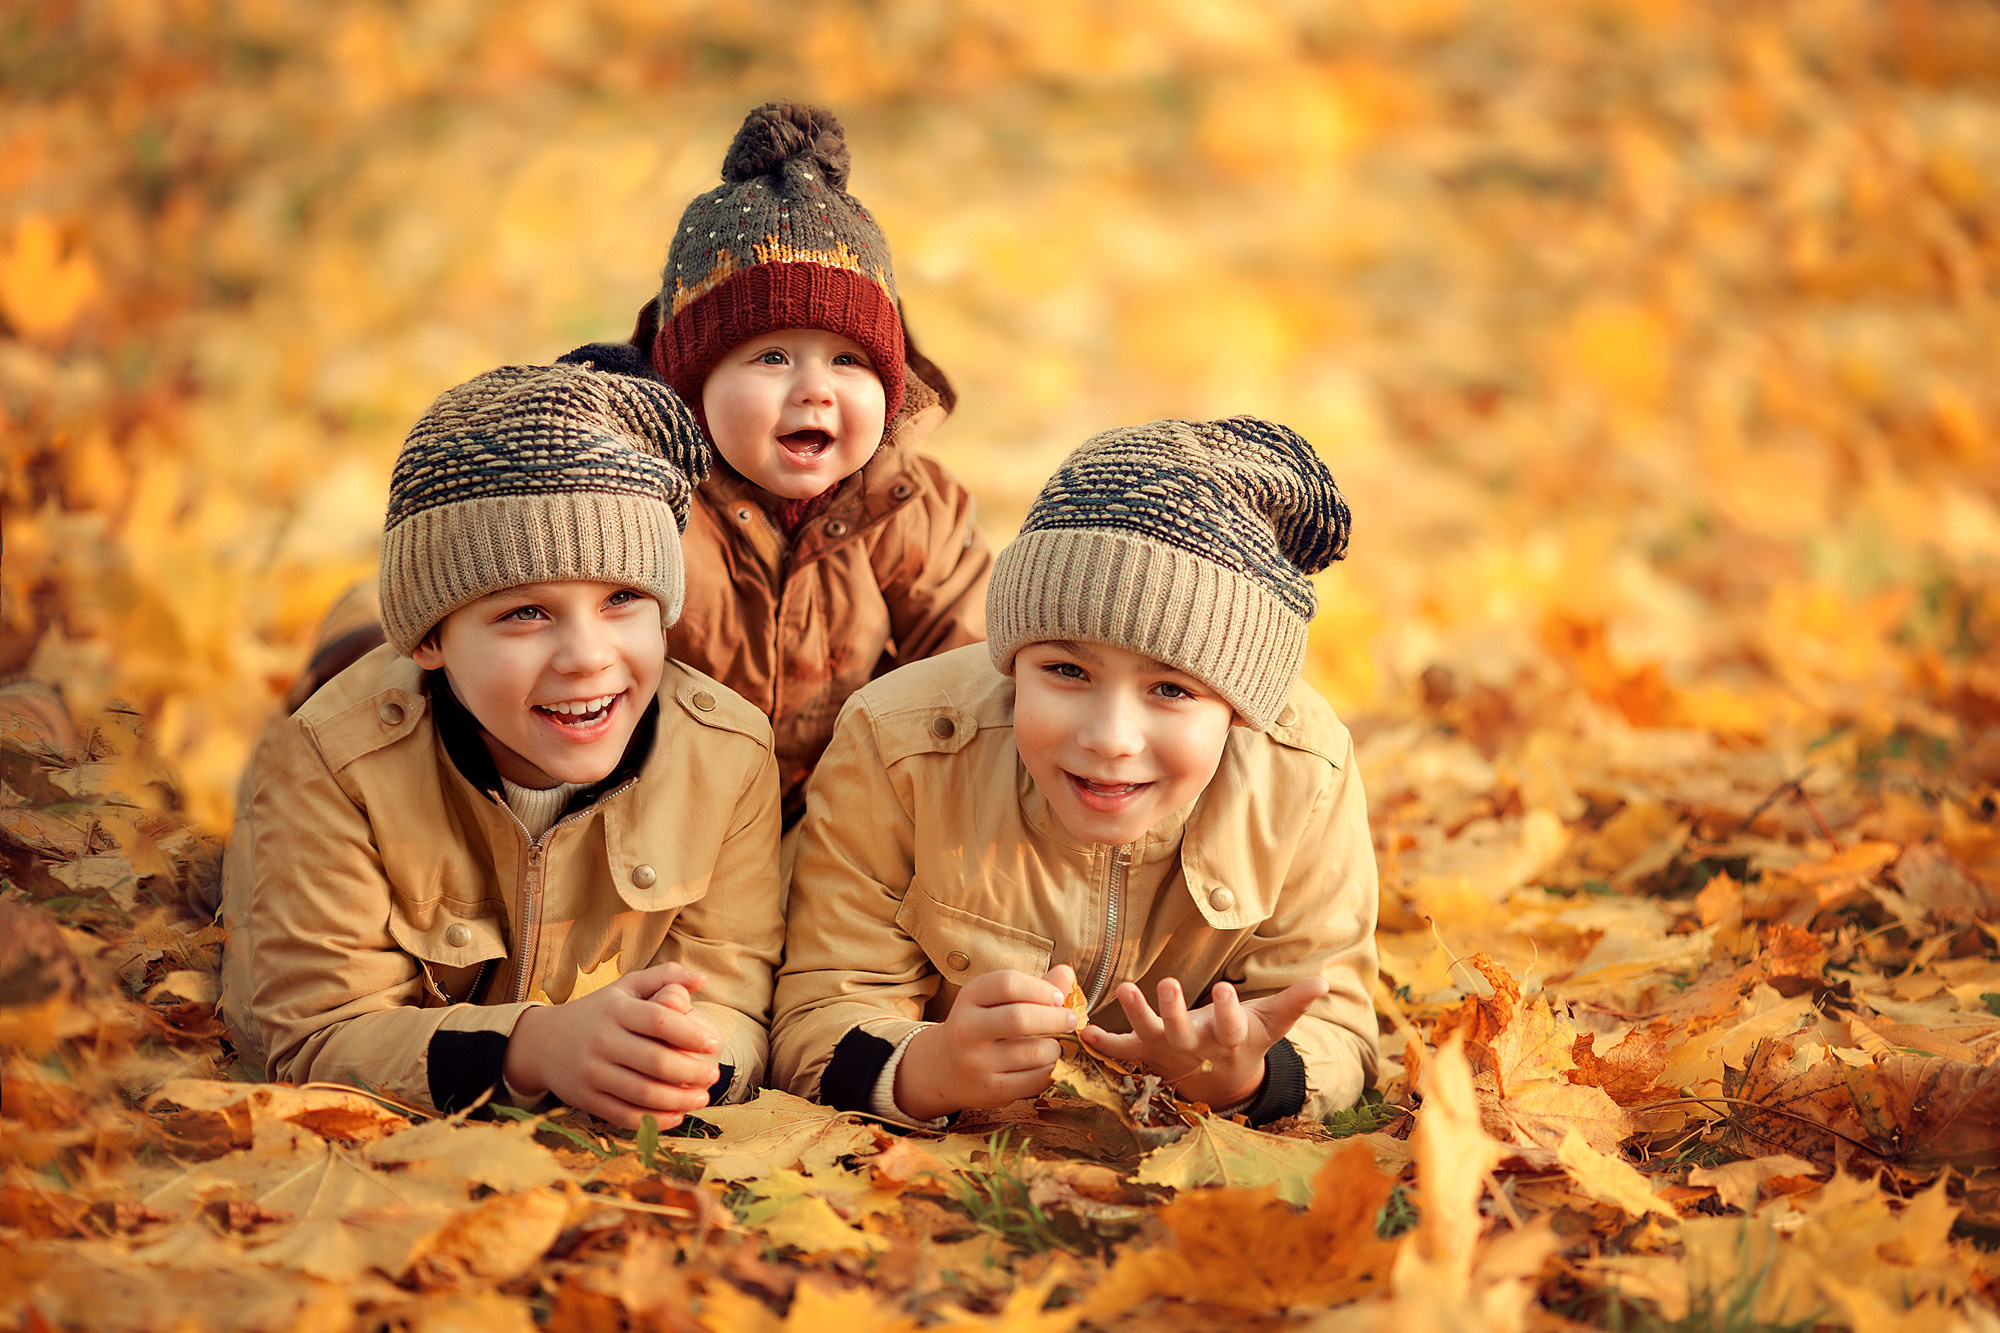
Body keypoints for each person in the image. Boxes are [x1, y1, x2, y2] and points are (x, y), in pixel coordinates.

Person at [282, 101, 991, 831]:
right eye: (772, 358)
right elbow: (572, 646)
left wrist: (931, 788)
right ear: (694, 381)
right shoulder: (642, 496)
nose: (815, 387)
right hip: (651, 783)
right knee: (415, 683)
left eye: (848, 361)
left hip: (819, 794)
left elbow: (967, 661)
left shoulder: (911, 503)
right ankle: (349, 649)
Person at [771, 417, 1381, 1127]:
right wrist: (931, 1068)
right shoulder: (900, 744)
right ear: (1012, 659)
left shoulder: (1303, 773)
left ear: (1240, 708)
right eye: (1065, 670)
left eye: (1171, 689)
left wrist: (1246, 1076)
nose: (1111, 738)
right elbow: (821, 1003)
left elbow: (1334, 1017)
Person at [219, 363, 784, 1126]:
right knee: (333, 677)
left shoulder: (730, 754)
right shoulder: (327, 762)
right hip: (381, 698)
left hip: (466, 684)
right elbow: (317, 1032)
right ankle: (353, 627)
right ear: (430, 637)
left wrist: (682, 1064)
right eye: (524, 611)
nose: (587, 655)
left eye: (623, 598)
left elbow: (738, 998)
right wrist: (535, 1047)